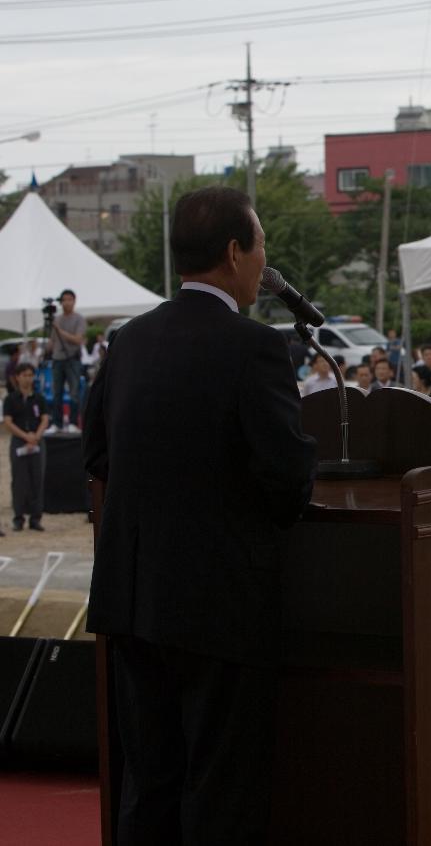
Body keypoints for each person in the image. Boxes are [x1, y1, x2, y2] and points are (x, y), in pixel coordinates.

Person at [83, 185, 317, 845]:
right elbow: (285, 476)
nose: (264, 258)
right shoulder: (254, 348)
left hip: (133, 600)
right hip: (219, 608)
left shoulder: (129, 341)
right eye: (261, 243)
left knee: (149, 782)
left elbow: (96, 450)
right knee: (219, 788)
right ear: (235, 252)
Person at [3, 362, 50, 534]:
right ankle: (18, 518)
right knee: (19, 481)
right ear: (17, 377)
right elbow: (8, 422)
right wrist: (25, 436)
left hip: (37, 442)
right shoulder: (10, 399)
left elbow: (45, 418)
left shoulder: (39, 398)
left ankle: (36, 518)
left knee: (37, 479)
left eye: (30, 375)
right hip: (19, 441)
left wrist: (36, 436)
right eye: (24, 375)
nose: (28, 379)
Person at [48, 288, 87, 431]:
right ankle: (56, 423)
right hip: (57, 359)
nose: (66, 302)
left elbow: (78, 339)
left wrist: (60, 331)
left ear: (74, 301)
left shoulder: (79, 319)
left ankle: (73, 423)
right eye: (63, 300)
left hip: (73, 359)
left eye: (69, 299)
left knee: (74, 392)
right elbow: (52, 341)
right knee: (56, 392)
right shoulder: (57, 319)